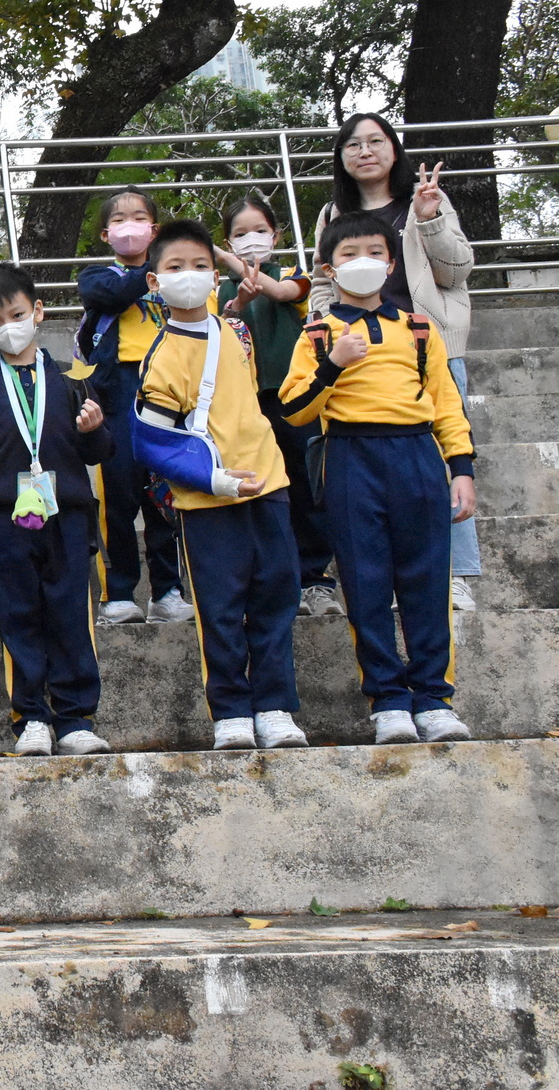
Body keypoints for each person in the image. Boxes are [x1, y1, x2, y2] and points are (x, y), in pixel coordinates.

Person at [279, 213, 477, 745]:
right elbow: (294, 409)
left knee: (427, 581)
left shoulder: (419, 328)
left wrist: (461, 469)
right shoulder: (317, 333)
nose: (361, 262)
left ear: (391, 265)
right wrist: (333, 364)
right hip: (350, 456)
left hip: (417, 455)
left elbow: (447, 405)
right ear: (329, 268)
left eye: (374, 252)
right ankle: (387, 700)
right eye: (348, 254)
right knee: (365, 583)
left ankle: (434, 698)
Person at [136, 220, 307, 752]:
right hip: (206, 500)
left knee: (276, 597)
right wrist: (214, 479)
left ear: (216, 275)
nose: (189, 275)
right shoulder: (160, 355)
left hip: (268, 484)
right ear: (154, 281)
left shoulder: (237, 333)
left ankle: (275, 707)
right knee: (220, 607)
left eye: (199, 265)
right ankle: (231, 711)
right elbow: (151, 444)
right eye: (175, 267)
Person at [0, 264, 114, 756]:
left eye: (17, 315)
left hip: (68, 515)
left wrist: (95, 430)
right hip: (5, 519)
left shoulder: (71, 379)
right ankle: (31, 718)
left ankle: (75, 718)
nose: (8, 327)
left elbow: (98, 453)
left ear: (38, 311)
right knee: (17, 616)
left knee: (70, 614)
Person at [311, 113, 479, 610]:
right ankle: (381, 579)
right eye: (353, 144)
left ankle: (454, 572)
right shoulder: (332, 213)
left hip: (426, 346)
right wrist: (326, 325)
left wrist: (429, 219)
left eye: (376, 141)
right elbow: (321, 281)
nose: (365, 151)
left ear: (394, 148)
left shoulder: (425, 199)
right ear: (341, 157)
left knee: (447, 456)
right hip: (362, 354)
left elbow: (456, 271)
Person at [75, 186, 194, 627]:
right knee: (119, 495)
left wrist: (170, 269)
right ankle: (119, 593)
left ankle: (168, 591)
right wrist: (155, 270)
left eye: (140, 218)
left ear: (154, 229)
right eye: (120, 220)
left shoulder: (175, 275)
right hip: (119, 392)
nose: (131, 227)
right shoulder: (97, 276)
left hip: (169, 390)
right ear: (106, 234)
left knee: (165, 494)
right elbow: (112, 295)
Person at [216, 193, 339, 617]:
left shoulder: (293, 274)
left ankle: (315, 578)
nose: (251, 239)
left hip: (295, 398)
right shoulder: (217, 289)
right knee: (262, 490)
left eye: (259, 230)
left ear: (276, 235)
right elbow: (222, 327)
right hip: (246, 404)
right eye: (240, 234)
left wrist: (229, 263)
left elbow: (283, 292)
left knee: (307, 485)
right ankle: (272, 580)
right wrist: (238, 302)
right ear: (229, 242)